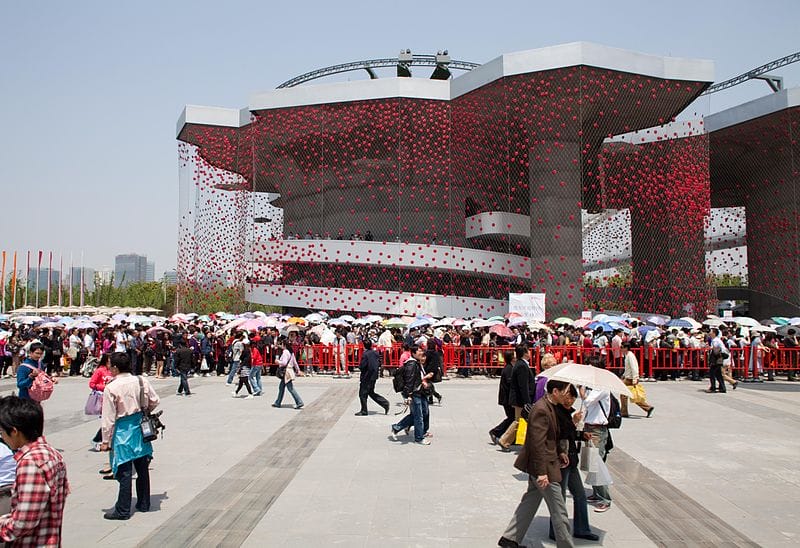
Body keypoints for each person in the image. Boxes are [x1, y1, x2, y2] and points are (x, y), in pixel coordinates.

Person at [498, 380, 574, 548]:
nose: (567, 395)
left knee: (531, 500)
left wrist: (561, 451)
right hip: (544, 466)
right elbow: (537, 443)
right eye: (565, 391)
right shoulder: (541, 409)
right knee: (559, 511)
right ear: (555, 391)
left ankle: (510, 538)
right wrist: (541, 472)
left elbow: (550, 437)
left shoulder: (550, 406)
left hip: (545, 462)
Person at [0, 396, 69, 546]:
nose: (2, 437)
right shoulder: (51, 453)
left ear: (14, 431)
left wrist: (2, 527)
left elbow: (23, 522)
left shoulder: (30, 463)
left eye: (2, 432)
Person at [100, 352, 160, 520]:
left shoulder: (112, 387)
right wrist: (144, 410)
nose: (109, 368)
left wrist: (105, 441)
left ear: (116, 367)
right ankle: (144, 503)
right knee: (142, 467)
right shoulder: (142, 380)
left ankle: (123, 509)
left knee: (125, 470)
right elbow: (155, 400)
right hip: (142, 427)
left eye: (110, 365)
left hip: (123, 430)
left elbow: (108, 417)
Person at [548, 384, 599, 542]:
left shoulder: (568, 412)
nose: (569, 400)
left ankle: (582, 528)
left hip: (571, 459)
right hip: (562, 460)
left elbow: (570, 434)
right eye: (567, 396)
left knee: (580, 495)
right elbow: (559, 434)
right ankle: (556, 530)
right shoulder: (555, 412)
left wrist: (582, 435)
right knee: (560, 497)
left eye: (572, 397)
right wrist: (574, 422)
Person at [390, 344, 433, 445]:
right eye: (418, 351)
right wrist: (409, 395)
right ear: (413, 353)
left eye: (421, 350)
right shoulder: (411, 364)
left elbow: (416, 378)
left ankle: (396, 427)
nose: (421, 352)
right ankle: (419, 438)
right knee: (418, 416)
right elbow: (409, 381)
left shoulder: (416, 362)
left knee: (423, 413)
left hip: (420, 391)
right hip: (414, 393)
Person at [498, 345, 533, 450]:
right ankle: (504, 439)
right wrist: (527, 401)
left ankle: (506, 440)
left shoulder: (520, 364)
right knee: (518, 420)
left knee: (519, 420)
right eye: (529, 351)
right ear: (525, 353)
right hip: (519, 399)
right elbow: (523, 385)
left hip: (519, 398)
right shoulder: (522, 365)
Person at [355, 339, 390, 415]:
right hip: (373, 376)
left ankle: (364, 410)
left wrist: (360, 366)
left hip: (366, 376)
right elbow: (379, 363)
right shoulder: (375, 353)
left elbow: (362, 365)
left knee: (362, 394)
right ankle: (384, 403)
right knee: (370, 392)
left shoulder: (365, 354)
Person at [620, 342, 654, 418]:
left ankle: (624, 411)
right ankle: (647, 407)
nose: (621, 349)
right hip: (628, 377)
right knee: (630, 395)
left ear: (626, 348)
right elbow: (628, 368)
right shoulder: (627, 355)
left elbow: (634, 367)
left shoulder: (630, 356)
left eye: (622, 347)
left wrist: (635, 378)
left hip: (630, 378)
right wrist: (624, 375)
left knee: (626, 394)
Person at [489, 349, 516, 445]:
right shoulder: (509, 369)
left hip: (507, 398)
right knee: (512, 418)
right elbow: (509, 384)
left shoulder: (510, 367)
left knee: (512, 417)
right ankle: (496, 432)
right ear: (512, 358)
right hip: (507, 399)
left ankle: (506, 436)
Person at [272, 340, 304, 409]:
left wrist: (277, 361)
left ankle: (299, 401)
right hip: (289, 370)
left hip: (286, 372)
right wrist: (298, 370)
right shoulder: (291, 352)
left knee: (290, 388)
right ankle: (278, 402)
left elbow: (284, 362)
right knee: (281, 387)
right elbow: (295, 363)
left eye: (282, 344)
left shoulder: (285, 352)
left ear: (284, 345)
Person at [707, 328, 728, 393]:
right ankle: (722, 388)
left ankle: (713, 387)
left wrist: (710, 348)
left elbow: (716, 349)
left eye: (710, 332)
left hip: (716, 358)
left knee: (712, 373)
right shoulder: (715, 340)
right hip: (718, 358)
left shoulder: (715, 340)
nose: (709, 333)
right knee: (718, 374)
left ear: (714, 333)